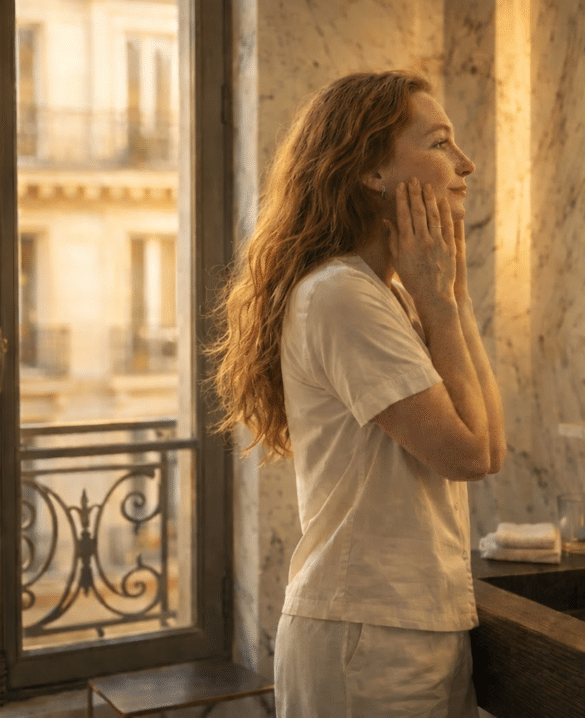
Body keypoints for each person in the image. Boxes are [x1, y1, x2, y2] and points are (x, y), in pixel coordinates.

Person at [208, 70, 506, 718]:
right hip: (367, 638)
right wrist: (438, 299)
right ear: (372, 170)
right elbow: (468, 456)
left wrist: (449, 295)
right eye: (439, 143)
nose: (466, 163)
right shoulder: (340, 295)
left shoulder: (387, 293)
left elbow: (493, 446)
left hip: (410, 626)